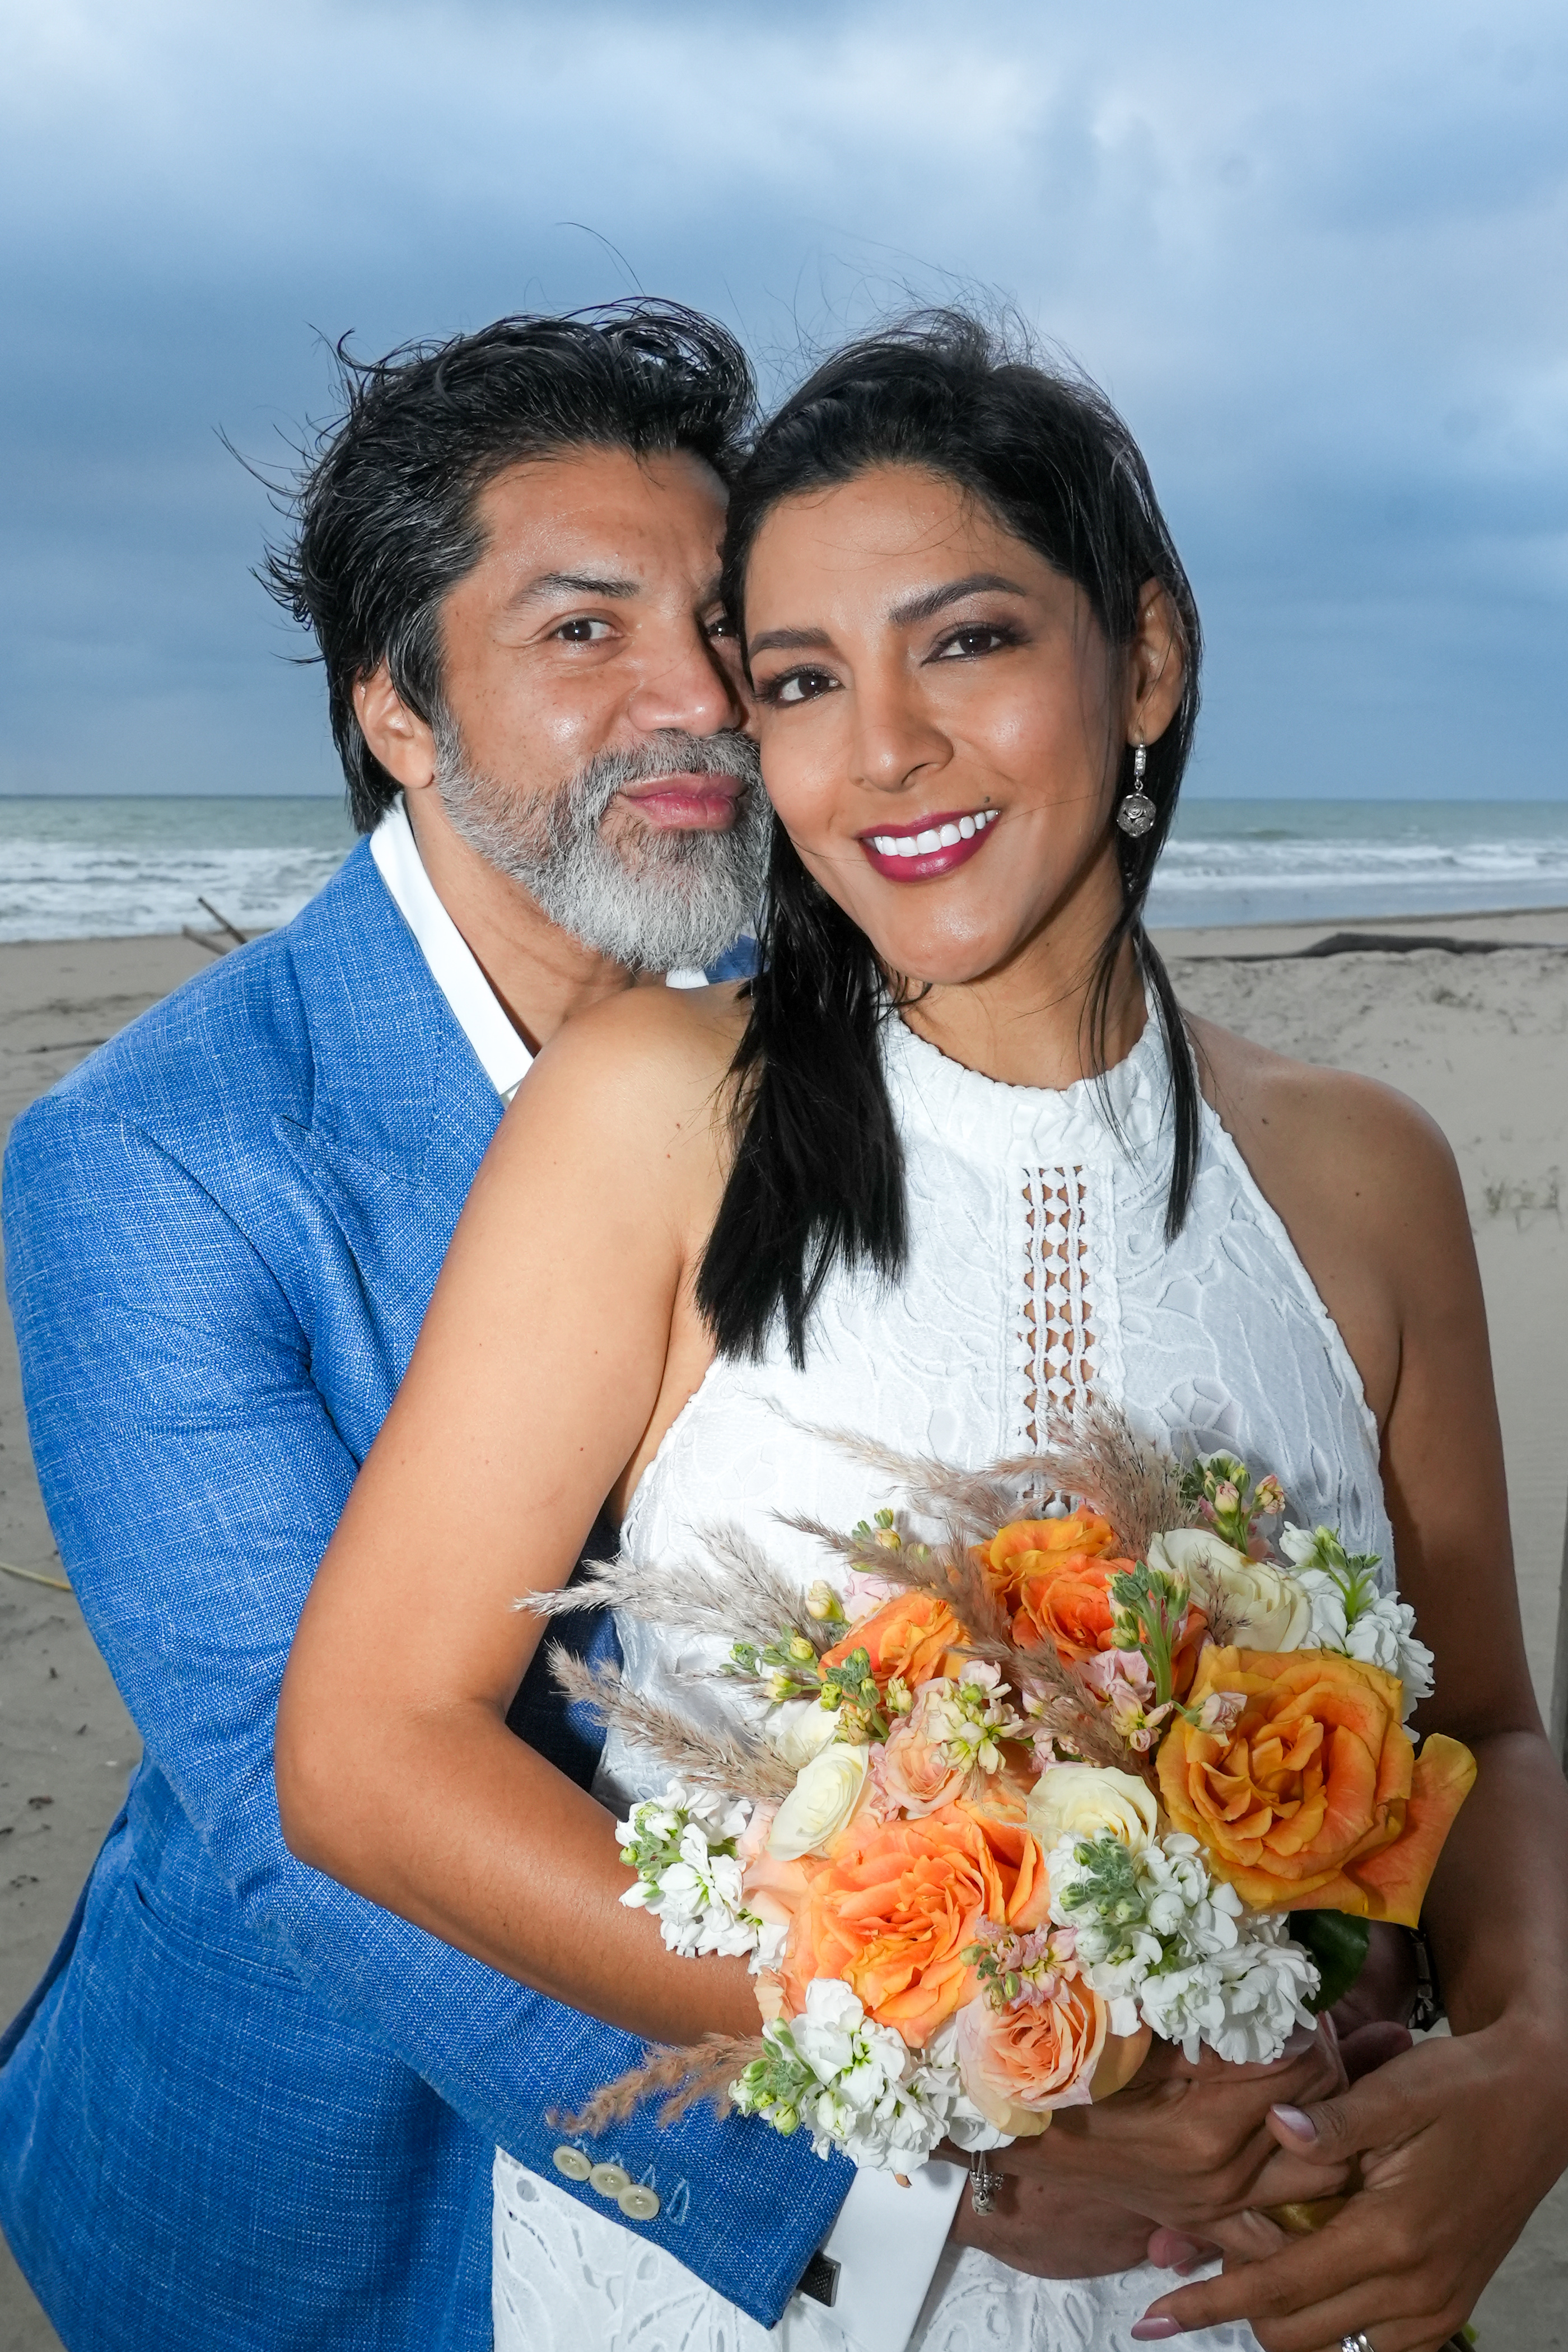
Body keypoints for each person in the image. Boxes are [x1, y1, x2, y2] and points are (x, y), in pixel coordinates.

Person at [278, 309, 1568, 2352]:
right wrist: (988, 2061)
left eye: (964, 642)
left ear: (1146, 660)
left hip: (1263, 2276)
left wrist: (1536, 2067)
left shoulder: (1367, 1169)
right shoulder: (651, 1115)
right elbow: (367, 1752)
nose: (880, 747)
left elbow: (1482, 1729)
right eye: (801, 680)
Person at [0, 301, 853, 2352]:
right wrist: (883, 2147)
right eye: (581, 631)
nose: (698, 700)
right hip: (327, 2183)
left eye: (721, 622)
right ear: (398, 706)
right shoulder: (158, 1157)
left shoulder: (847, 1038)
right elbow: (304, 1816)